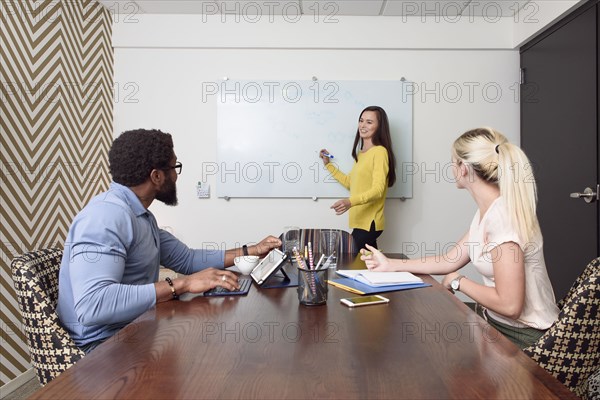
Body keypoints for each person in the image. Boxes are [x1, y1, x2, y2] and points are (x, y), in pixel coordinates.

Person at [57, 129, 281, 353]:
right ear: (156, 176)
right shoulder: (105, 217)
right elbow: (93, 305)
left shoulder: (140, 216)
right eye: (175, 168)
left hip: (134, 327)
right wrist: (181, 284)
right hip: (101, 349)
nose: (176, 176)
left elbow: (187, 259)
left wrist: (250, 250)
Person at [360, 127, 559, 349]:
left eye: (453, 162)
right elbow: (449, 259)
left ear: (463, 168)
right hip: (498, 324)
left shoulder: (503, 219)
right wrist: (391, 264)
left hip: (527, 337)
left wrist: (458, 281)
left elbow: (510, 304)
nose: (452, 168)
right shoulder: (488, 211)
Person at [320, 105, 396, 254]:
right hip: (360, 222)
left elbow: (378, 190)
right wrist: (328, 166)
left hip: (370, 223)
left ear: (379, 126)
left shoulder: (380, 152)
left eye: (369, 122)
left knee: (345, 257)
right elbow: (350, 183)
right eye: (361, 120)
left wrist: (349, 202)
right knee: (368, 264)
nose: (363, 125)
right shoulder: (361, 154)